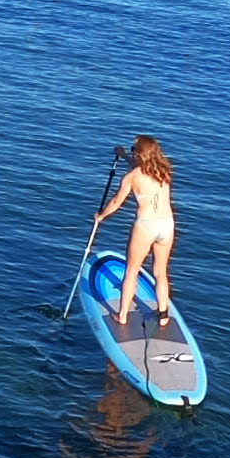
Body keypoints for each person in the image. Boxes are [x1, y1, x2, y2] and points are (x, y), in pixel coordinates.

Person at [90, 136, 177, 329]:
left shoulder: (131, 178)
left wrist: (101, 216)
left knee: (131, 271)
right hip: (167, 225)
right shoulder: (164, 171)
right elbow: (141, 167)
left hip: (146, 225)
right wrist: (123, 156)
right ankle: (163, 316)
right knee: (160, 272)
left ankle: (122, 316)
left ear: (139, 153)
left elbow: (115, 202)